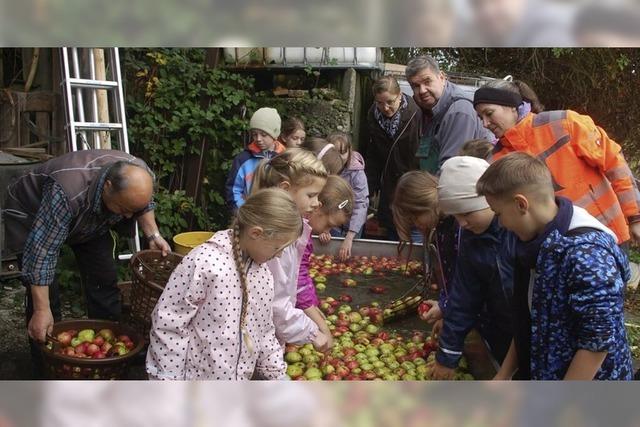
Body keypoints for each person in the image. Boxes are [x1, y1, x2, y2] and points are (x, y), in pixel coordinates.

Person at [3, 149, 170, 375]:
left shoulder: (139, 173)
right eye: (123, 209)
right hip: (31, 214)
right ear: (108, 186)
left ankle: (112, 351)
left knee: (103, 276)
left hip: (89, 216)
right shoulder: (65, 192)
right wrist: (42, 309)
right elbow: (42, 253)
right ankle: (45, 359)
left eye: (132, 210)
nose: (129, 217)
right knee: (45, 297)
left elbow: (143, 204)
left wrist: (153, 235)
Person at [477, 152, 633, 380]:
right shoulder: (534, 243)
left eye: (499, 213)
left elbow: (596, 343)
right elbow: (528, 319)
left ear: (521, 204)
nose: (500, 223)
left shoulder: (586, 256)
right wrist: (505, 374)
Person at [146, 188, 302, 380]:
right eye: (278, 248)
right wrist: (168, 381)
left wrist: (278, 375)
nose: (278, 255)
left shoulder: (264, 276)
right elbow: (169, 324)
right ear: (256, 233)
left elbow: (265, 331)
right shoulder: (205, 262)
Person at [473, 79, 640, 247]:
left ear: (512, 106)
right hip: (552, 253)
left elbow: (615, 164)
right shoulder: (495, 161)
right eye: (481, 118)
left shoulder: (565, 123)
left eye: (489, 113)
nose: (485, 124)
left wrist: (635, 217)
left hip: (608, 235)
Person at [429, 156, 515, 380]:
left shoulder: (517, 232)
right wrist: (447, 355)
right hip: (498, 329)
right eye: (455, 216)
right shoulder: (471, 237)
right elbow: (463, 297)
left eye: (466, 213)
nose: (462, 223)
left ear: (488, 201)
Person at [250, 148, 332, 351]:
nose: (317, 203)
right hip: (256, 337)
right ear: (285, 189)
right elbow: (276, 306)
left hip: (267, 336)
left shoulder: (295, 228)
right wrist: (314, 333)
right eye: (311, 195)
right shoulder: (274, 240)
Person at [391, 171, 460, 327]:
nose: (416, 224)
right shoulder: (442, 227)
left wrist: (446, 307)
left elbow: (465, 281)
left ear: (423, 206)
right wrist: (444, 307)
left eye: (415, 218)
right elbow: (450, 279)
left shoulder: (457, 227)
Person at [405, 55, 492, 175]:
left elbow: (451, 170)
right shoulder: (427, 109)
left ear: (441, 77)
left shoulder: (459, 112)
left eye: (427, 81)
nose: (422, 90)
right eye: (415, 86)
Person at [296, 176, 354, 344]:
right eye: (328, 225)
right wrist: (321, 325)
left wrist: (312, 305)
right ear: (317, 208)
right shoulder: (298, 237)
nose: (327, 230)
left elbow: (303, 276)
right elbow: (298, 282)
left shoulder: (304, 233)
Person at [365, 75, 421, 241]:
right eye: (380, 103)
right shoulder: (373, 116)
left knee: (416, 234)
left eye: (390, 101)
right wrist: (369, 188)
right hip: (390, 187)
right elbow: (373, 155)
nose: (385, 108)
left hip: (414, 185)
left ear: (400, 95)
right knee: (393, 239)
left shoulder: (417, 112)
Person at [303, 135, 369, 260]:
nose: (339, 157)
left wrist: (350, 236)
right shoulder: (318, 178)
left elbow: (361, 204)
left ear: (350, 151)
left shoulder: (357, 174)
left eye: (343, 152)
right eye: (335, 152)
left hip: (348, 221)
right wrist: (323, 230)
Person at [225, 107, 286, 212]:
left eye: (263, 134)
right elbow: (234, 189)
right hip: (247, 214)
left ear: (275, 134)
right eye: (254, 134)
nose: (258, 139)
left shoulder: (285, 158)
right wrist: (241, 212)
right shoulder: (242, 159)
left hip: (276, 215)